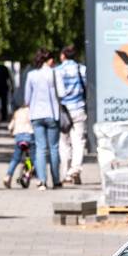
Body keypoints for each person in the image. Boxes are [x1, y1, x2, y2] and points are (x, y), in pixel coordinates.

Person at [24, 48, 62, 190]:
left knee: (40, 148)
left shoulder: (31, 75)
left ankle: (42, 181)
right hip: (52, 114)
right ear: (50, 60)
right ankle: (56, 180)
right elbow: (62, 93)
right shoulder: (55, 72)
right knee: (53, 148)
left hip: (36, 115)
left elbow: (27, 99)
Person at [57, 45, 88, 185]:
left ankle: (65, 173)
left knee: (64, 142)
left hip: (63, 111)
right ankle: (75, 169)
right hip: (79, 108)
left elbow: (57, 91)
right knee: (78, 141)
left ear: (63, 56)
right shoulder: (82, 69)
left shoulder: (58, 70)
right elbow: (86, 87)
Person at [3, 104, 35, 188]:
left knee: (15, 159)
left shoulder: (17, 113)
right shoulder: (32, 112)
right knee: (32, 158)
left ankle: (8, 176)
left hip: (19, 138)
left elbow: (10, 127)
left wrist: (12, 133)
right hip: (29, 136)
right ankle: (28, 172)